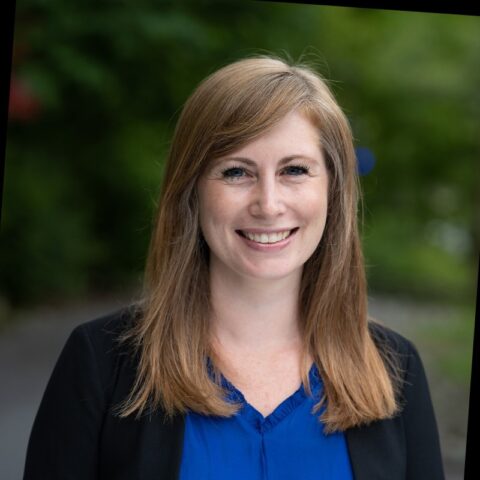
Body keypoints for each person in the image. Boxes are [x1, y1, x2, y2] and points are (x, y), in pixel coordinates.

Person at [23, 56, 445, 480]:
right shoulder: (101, 362)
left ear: (333, 190)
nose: (268, 204)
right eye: (236, 172)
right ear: (191, 190)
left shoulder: (395, 369)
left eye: (295, 170)